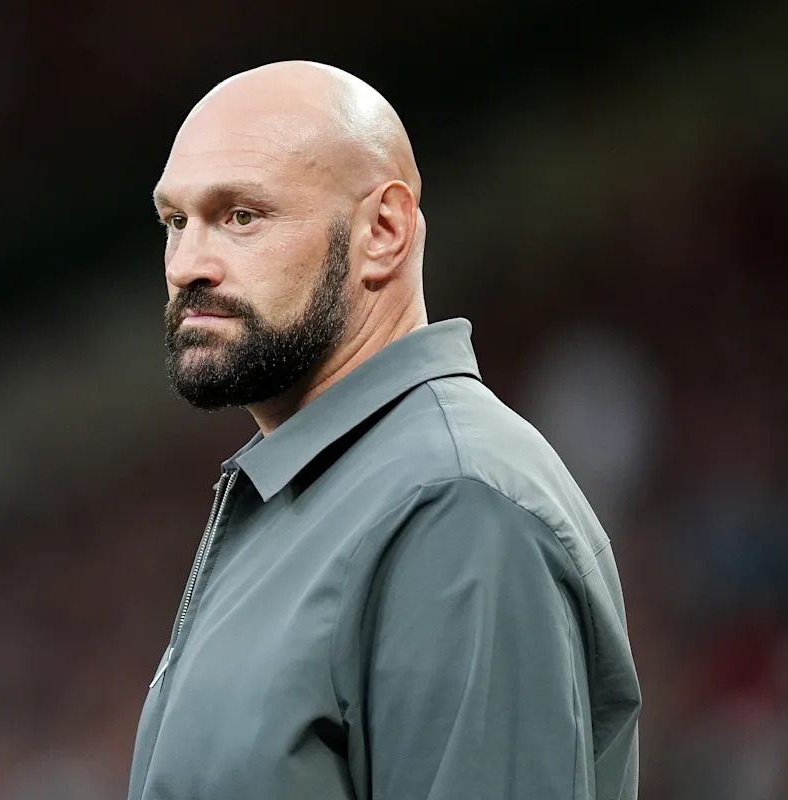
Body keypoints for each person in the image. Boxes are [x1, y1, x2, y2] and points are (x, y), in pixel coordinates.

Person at [129, 60, 640, 800]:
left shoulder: (454, 505)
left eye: (241, 216)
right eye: (176, 222)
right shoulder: (318, 490)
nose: (187, 266)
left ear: (384, 230)